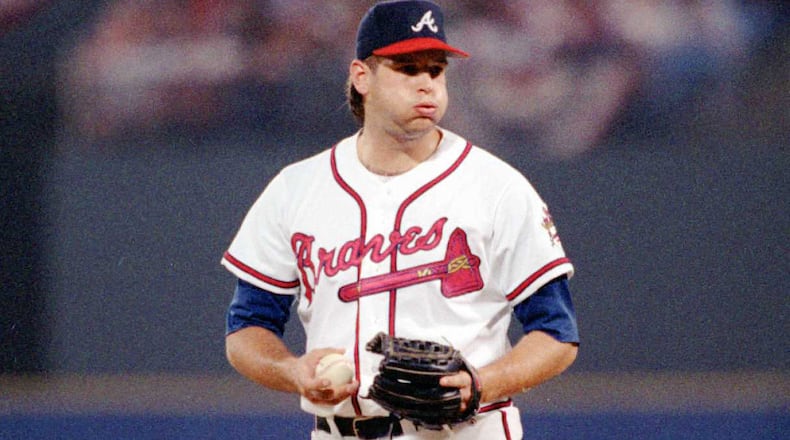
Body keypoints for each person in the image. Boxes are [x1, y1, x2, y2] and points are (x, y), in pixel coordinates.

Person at [221, 1, 579, 438]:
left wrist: (482, 385)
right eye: (407, 69)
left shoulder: (498, 187)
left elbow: (557, 333)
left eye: (436, 70)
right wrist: (293, 370)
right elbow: (246, 329)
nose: (427, 84)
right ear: (361, 77)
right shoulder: (296, 188)